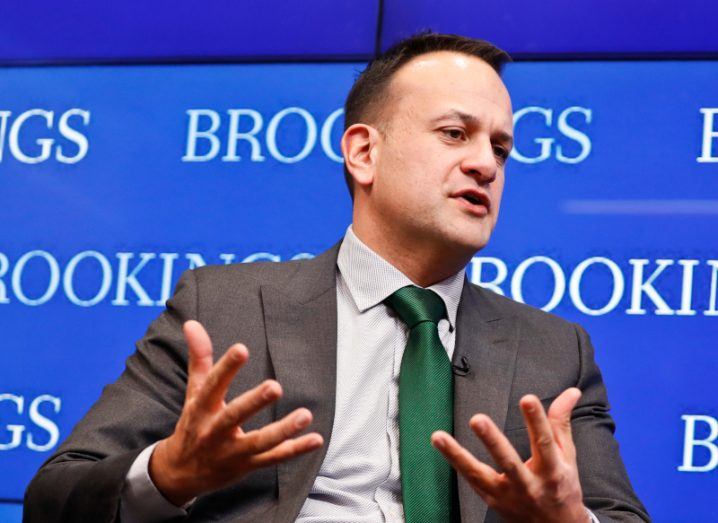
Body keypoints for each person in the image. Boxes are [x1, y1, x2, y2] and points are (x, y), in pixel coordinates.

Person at [24, 32, 649, 522]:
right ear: (363, 152)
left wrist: (569, 519)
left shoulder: (553, 350)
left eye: (501, 148)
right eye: (455, 134)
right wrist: (169, 473)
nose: (485, 164)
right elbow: (55, 497)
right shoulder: (223, 308)